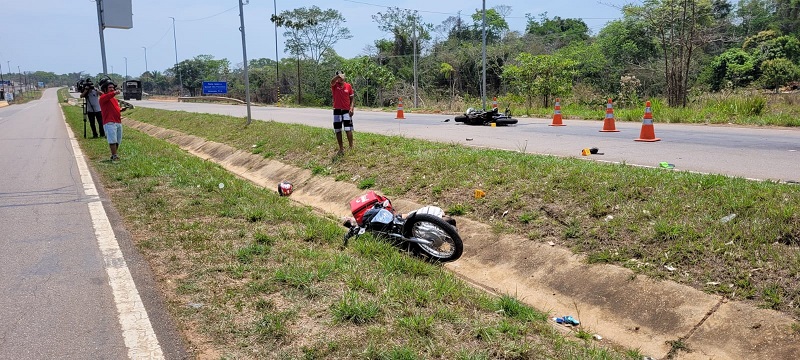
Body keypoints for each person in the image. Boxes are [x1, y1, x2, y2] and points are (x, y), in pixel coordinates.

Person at [98, 80, 125, 161]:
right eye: (110, 87)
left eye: (113, 87)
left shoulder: (114, 100)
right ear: (105, 89)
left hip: (117, 121)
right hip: (110, 122)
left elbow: (114, 108)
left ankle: (114, 154)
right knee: (112, 140)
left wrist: (121, 110)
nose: (112, 89)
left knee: (118, 140)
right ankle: (114, 155)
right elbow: (108, 96)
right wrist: (115, 92)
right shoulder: (103, 97)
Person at [330, 70, 355, 155]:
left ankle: (351, 146)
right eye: (339, 77)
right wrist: (338, 76)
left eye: (342, 77)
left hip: (346, 110)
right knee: (338, 130)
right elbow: (332, 81)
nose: (341, 79)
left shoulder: (348, 86)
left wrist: (352, 108)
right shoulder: (334, 85)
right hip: (337, 110)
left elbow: (352, 99)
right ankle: (341, 148)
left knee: (348, 129)